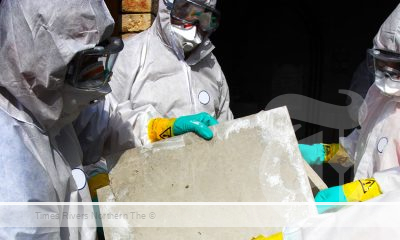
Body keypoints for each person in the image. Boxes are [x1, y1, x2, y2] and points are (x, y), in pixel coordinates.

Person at [253, 3, 400, 240]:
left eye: (397, 67)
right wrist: (325, 152)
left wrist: (364, 189)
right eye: (382, 64)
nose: (388, 75)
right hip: (363, 221)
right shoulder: (380, 95)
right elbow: (364, 142)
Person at [0, 0, 125, 238]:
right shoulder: (12, 159)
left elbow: (103, 126)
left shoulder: (48, 105)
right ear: (39, 57)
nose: (98, 72)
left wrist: (158, 129)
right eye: (86, 61)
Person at [106, 0, 234, 147]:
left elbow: (226, 130)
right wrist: (162, 129)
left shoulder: (212, 67)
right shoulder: (129, 55)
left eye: (203, 16)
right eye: (186, 11)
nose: (193, 23)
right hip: (144, 167)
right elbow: (106, 125)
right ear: (167, 7)